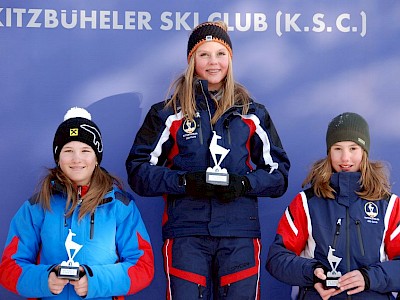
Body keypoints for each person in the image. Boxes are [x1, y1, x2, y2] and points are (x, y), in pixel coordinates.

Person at [126, 21, 290, 299]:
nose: (213, 62)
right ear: (192, 60)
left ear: (230, 59)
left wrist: (243, 184)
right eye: (204, 54)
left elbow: (278, 175)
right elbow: (139, 171)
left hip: (239, 233)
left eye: (220, 54)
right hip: (187, 234)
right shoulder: (168, 113)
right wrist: (185, 182)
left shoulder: (252, 113)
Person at [0, 107, 154, 299]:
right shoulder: (36, 207)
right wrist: (44, 280)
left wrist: (94, 281)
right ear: (58, 157)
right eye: (68, 150)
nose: (77, 159)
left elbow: (142, 266)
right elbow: (9, 268)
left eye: (85, 150)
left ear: (96, 157)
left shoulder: (120, 206)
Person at [266, 112, 400, 299]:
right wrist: (313, 274)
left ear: (364, 152)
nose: (345, 158)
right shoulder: (306, 202)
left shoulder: (389, 205)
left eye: (353, 148)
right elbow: (277, 258)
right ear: (329, 151)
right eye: (338, 148)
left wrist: (369, 278)